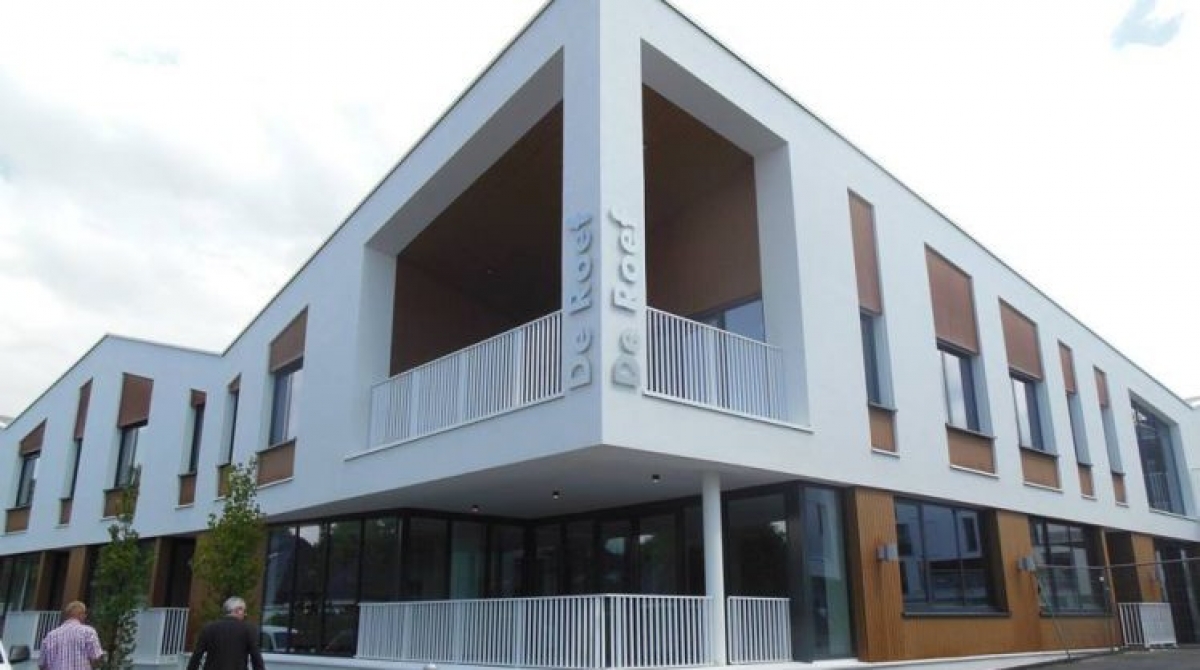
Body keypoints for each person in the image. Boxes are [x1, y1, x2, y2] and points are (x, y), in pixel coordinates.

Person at [186, 597, 265, 670]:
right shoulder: (248, 629)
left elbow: (197, 655)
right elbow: (256, 658)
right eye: (244, 611)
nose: (245, 614)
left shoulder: (209, 628)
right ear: (238, 610)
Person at [38, 601, 104, 670]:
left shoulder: (50, 636)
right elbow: (96, 657)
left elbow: (42, 664)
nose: (85, 616)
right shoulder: (88, 632)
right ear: (81, 614)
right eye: (85, 614)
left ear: (67, 615)